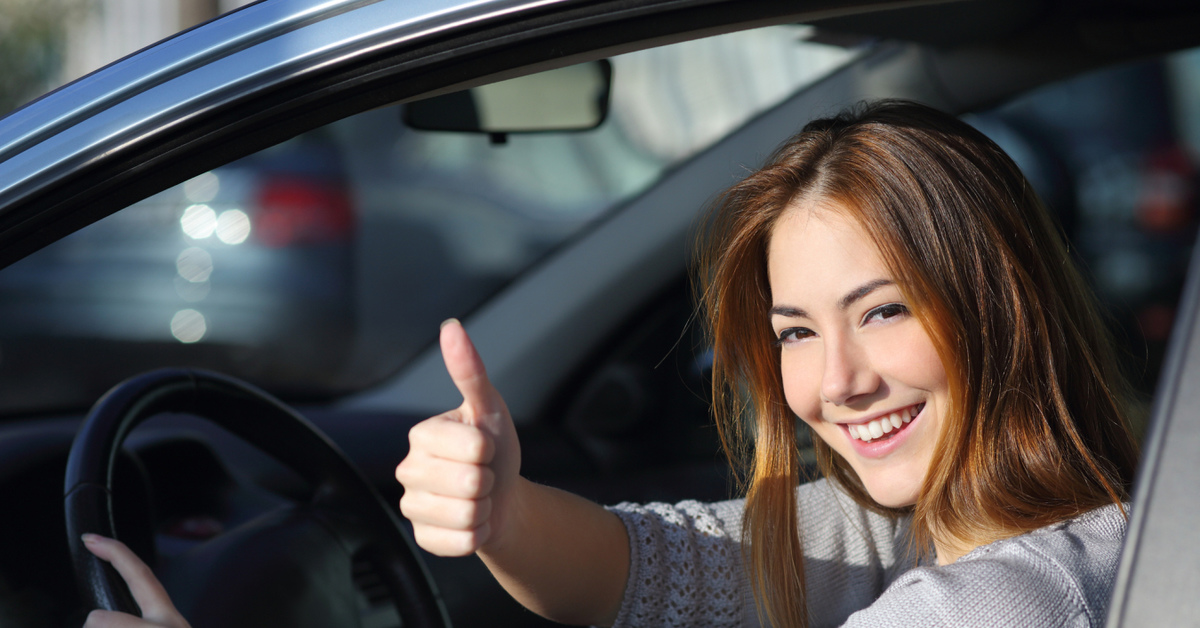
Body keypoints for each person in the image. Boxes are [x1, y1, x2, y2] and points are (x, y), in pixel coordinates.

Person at [83, 100, 1139, 627]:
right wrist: (501, 511)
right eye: (798, 331)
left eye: (886, 310)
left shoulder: (996, 599)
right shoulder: (952, 523)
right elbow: (647, 568)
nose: (838, 381)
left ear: (998, 305)